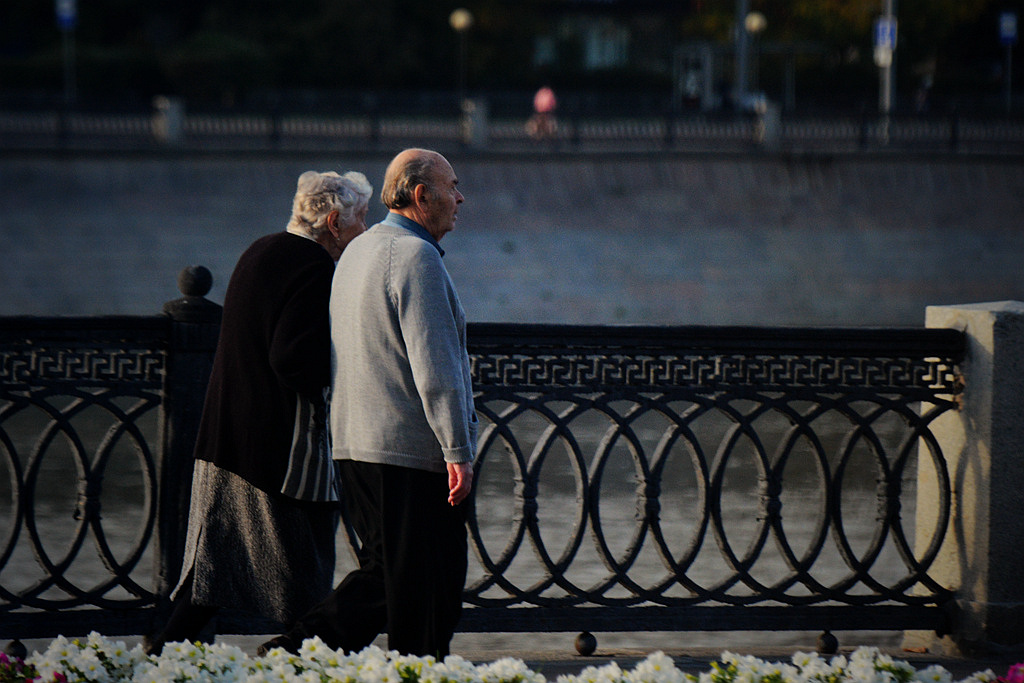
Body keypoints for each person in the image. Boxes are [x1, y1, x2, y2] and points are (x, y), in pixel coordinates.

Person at [258, 148, 477, 659]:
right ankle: (306, 651)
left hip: (355, 447)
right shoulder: (416, 257)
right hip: (409, 453)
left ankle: (301, 652)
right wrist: (458, 450)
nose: (460, 197)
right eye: (453, 186)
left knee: (389, 576)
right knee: (428, 588)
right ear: (422, 195)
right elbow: (436, 364)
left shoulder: (357, 251)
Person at [144, 169, 373, 655]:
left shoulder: (261, 250)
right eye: (360, 220)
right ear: (333, 222)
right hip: (277, 457)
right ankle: (300, 659)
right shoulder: (314, 267)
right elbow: (293, 359)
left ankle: (159, 661)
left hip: (227, 441)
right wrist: (346, 377)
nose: (365, 232)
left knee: (209, 577)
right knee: (303, 581)